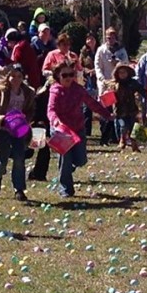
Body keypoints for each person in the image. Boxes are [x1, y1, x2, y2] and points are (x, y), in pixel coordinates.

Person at [47, 62, 113, 198]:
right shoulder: (55, 91)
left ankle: (67, 170)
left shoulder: (78, 90)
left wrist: (107, 115)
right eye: (64, 75)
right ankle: (66, 188)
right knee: (65, 158)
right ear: (58, 76)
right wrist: (55, 121)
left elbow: (92, 103)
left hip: (78, 128)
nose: (68, 78)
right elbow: (51, 109)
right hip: (61, 129)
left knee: (80, 160)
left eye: (71, 74)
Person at [0, 64, 35, 201]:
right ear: (8, 76)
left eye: (19, 76)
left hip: (19, 130)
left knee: (19, 158)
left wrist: (26, 119)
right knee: (3, 157)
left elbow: (30, 109)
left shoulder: (27, 92)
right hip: (4, 129)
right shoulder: (0, 91)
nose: (16, 79)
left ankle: (19, 189)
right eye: (13, 76)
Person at [94, 27, 128, 145]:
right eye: (108, 37)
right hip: (105, 83)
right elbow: (97, 66)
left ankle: (115, 137)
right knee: (106, 111)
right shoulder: (101, 50)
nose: (110, 40)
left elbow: (126, 65)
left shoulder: (121, 50)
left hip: (117, 84)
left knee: (117, 110)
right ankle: (104, 137)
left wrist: (117, 63)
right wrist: (102, 79)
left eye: (112, 37)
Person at [109, 64, 146, 152]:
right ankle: (122, 140)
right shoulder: (115, 84)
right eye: (120, 73)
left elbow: (141, 89)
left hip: (132, 108)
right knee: (123, 126)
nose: (122, 74)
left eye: (124, 72)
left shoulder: (133, 83)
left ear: (128, 73)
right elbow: (109, 95)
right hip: (120, 110)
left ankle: (135, 144)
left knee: (135, 127)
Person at [28, 78, 53, 181]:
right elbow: (33, 114)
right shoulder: (39, 98)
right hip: (36, 125)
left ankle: (39, 174)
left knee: (45, 150)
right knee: (28, 152)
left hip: (48, 125)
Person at [80, 32, 99, 135]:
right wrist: (88, 71)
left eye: (92, 39)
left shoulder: (100, 51)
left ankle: (106, 133)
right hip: (88, 82)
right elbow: (79, 66)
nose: (90, 41)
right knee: (87, 107)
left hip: (99, 80)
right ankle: (87, 131)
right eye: (88, 39)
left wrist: (97, 71)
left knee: (102, 105)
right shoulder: (83, 52)